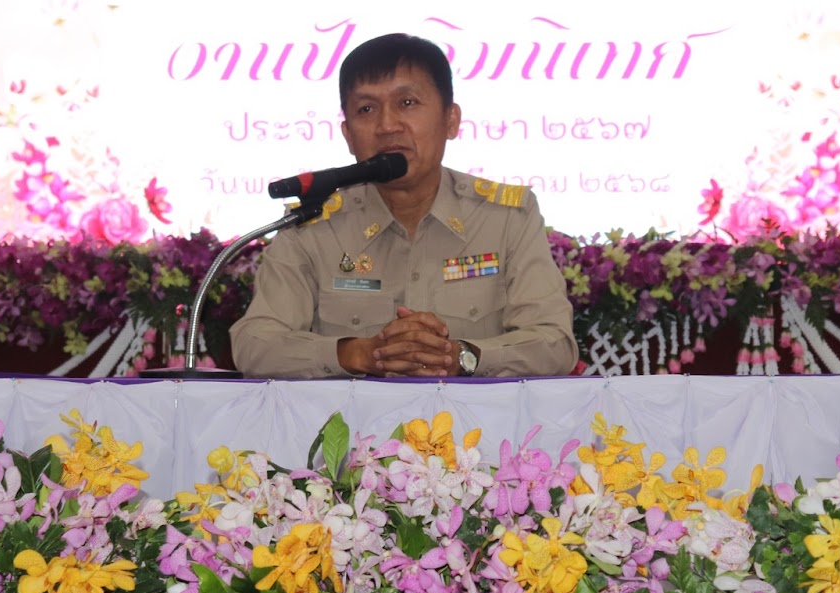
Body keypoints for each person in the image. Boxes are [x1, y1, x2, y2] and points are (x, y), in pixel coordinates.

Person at [230, 33, 579, 379]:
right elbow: (254, 344)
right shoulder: (314, 224)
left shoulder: (505, 218)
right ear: (348, 135)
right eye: (366, 109)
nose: (387, 126)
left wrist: (462, 357)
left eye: (407, 103)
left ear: (451, 120)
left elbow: (554, 343)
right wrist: (358, 353)